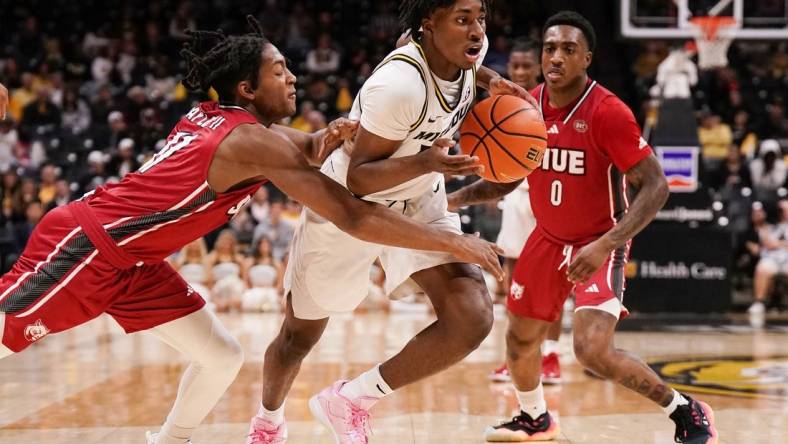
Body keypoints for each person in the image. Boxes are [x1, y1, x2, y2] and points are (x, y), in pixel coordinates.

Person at [0, 17, 503, 444]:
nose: (293, 79)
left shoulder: (235, 123)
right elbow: (351, 214)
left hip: (136, 263)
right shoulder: (251, 142)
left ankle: (170, 440)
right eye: (279, 71)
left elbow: (303, 149)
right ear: (248, 89)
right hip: (90, 246)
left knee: (220, 356)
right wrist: (453, 241)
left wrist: (328, 136)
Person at [247, 1, 534, 443]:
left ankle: (351, 400)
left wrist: (494, 82)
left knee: (471, 316)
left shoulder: (467, 51)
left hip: (418, 188)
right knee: (298, 337)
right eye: (463, 20)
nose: (477, 30)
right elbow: (361, 179)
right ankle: (267, 423)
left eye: (480, 18)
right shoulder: (398, 86)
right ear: (429, 24)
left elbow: (458, 66)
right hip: (349, 199)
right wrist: (427, 162)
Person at [447, 11, 717, 443]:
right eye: (549, 48)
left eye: (568, 50)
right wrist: (456, 197)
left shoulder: (609, 112)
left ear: (586, 58)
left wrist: (604, 245)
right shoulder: (528, 105)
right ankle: (534, 417)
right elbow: (512, 173)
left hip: (599, 240)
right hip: (547, 238)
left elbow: (657, 186)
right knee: (519, 340)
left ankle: (685, 410)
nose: (555, 57)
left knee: (591, 350)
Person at [486, 37, 562, 386]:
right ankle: (515, 358)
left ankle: (551, 356)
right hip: (516, 196)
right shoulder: (501, 103)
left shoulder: (553, 101)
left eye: (525, 66)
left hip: (549, 199)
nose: (518, 72)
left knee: (551, 284)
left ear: (539, 67)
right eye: (513, 66)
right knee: (514, 281)